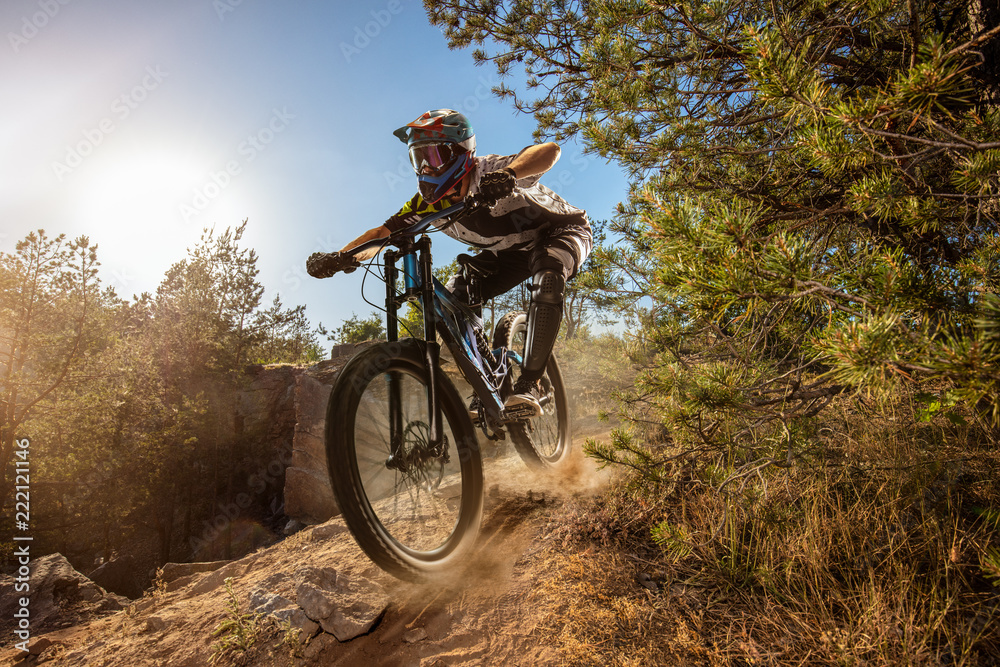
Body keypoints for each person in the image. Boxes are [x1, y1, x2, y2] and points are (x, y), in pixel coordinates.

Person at [308, 108, 592, 416]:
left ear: (462, 152)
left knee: (548, 274)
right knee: (459, 297)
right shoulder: (426, 205)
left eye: (435, 155)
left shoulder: (488, 171)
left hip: (561, 232)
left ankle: (530, 384)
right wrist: (340, 257)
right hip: (509, 254)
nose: (428, 167)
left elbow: (549, 151)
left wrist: (509, 175)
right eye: (420, 158)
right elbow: (381, 233)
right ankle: (490, 383)